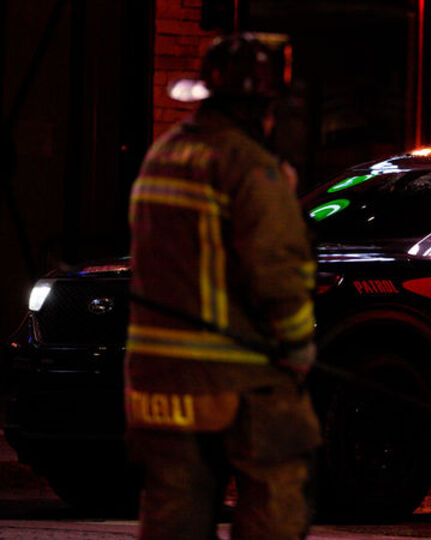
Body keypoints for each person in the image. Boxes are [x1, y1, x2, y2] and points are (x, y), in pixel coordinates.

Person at [125, 33, 319, 540]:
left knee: (173, 514)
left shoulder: (161, 155)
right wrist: (298, 347)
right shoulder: (250, 167)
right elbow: (277, 273)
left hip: (154, 380)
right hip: (229, 373)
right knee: (276, 491)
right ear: (262, 106)